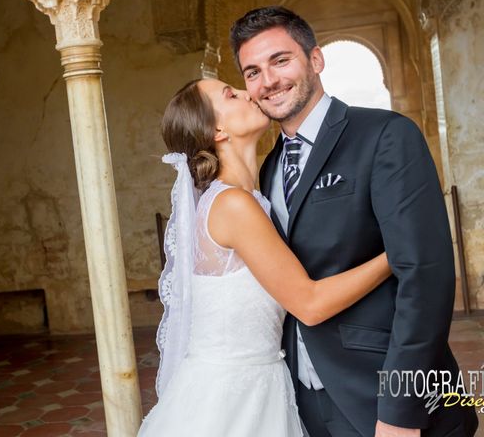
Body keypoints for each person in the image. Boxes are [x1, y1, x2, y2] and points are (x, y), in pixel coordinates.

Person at [229, 6, 479, 437]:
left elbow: (425, 276)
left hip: (382, 395)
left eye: (280, 60)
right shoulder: (267, 171)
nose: (267, 81)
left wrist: (401, 412)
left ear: (316, 59)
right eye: (252, 72)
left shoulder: (385, 135)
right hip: (304, 400)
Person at [137, 78, 392, 436]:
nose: (248, 93)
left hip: (262, 382)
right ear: (217, 129)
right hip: (231, 399)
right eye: (231, 94)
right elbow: (309, 302)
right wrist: (394, 256)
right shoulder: (233, 205)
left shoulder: (253, 193)